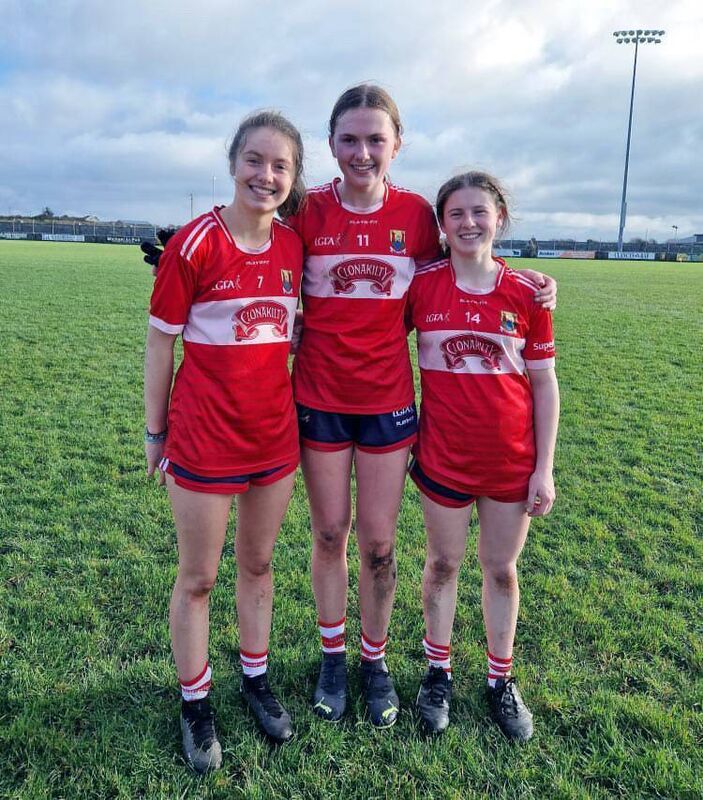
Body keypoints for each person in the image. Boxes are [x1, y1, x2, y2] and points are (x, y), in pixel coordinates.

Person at [286, 85, 558, 728]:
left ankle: (374, 663)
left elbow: (475, 266)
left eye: (376, 139)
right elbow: (254, 227)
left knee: (380, 546)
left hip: (387, 406)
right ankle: (333, 657)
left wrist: (533, 282)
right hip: (319, 399)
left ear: (397, 145)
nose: (362, 152)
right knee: (329, 535)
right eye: (349, 139)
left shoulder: (413, 216)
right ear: (330, 145)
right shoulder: (306, 210)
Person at [144, 111, 305, 771]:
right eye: (255, 161)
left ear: (291, 179)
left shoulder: (295, 246)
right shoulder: (194, 244)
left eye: (280, 166)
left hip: (273, 440)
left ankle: (256, 679)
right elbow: (160, 343)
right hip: (205, 439)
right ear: (233, 162)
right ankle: (195, 700)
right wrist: (156, 432)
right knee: (200, 577)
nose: (265, 176)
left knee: (259, 566)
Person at [406, 171, 559, 739]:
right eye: (456, 214)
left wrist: (543, 468)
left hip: (510, 463)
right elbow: (369, 335)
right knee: (442, 565)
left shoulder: (526, 293)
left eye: (480, 212)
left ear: (500, 218)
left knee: (500, 569)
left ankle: (500, 678)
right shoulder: (422, 286)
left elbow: (544, 384)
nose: (469, 223)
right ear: (442, 226)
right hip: (443, 457)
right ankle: (437, 671)